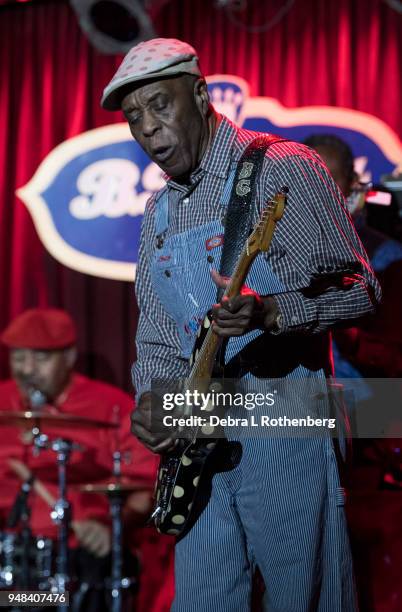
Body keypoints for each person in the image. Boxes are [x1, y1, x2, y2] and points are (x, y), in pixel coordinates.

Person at [101, 38, 382, 611]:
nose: (149, 129)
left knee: (299, 598)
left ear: (200, 95)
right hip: (201, 428)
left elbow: (362, 291)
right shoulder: (159, 209)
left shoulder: (285, 169)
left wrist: (276, 311)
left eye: (160, 105)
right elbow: (157, 334)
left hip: (285, 412)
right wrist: (154, 400)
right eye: (135, 118)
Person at [0, 308, 158, 609]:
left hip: (75, 556)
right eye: (18, 357)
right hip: (9, 548)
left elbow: (145, 488)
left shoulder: (112, 407)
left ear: (69, 357)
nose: (26, 369)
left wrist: (113, 526)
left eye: (40, 358)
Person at [304, 134, 402, 611]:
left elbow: (391, 360)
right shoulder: (273, 251)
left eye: (330, 186)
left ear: (354, 191)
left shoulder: (387, 259)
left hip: (370, 438)